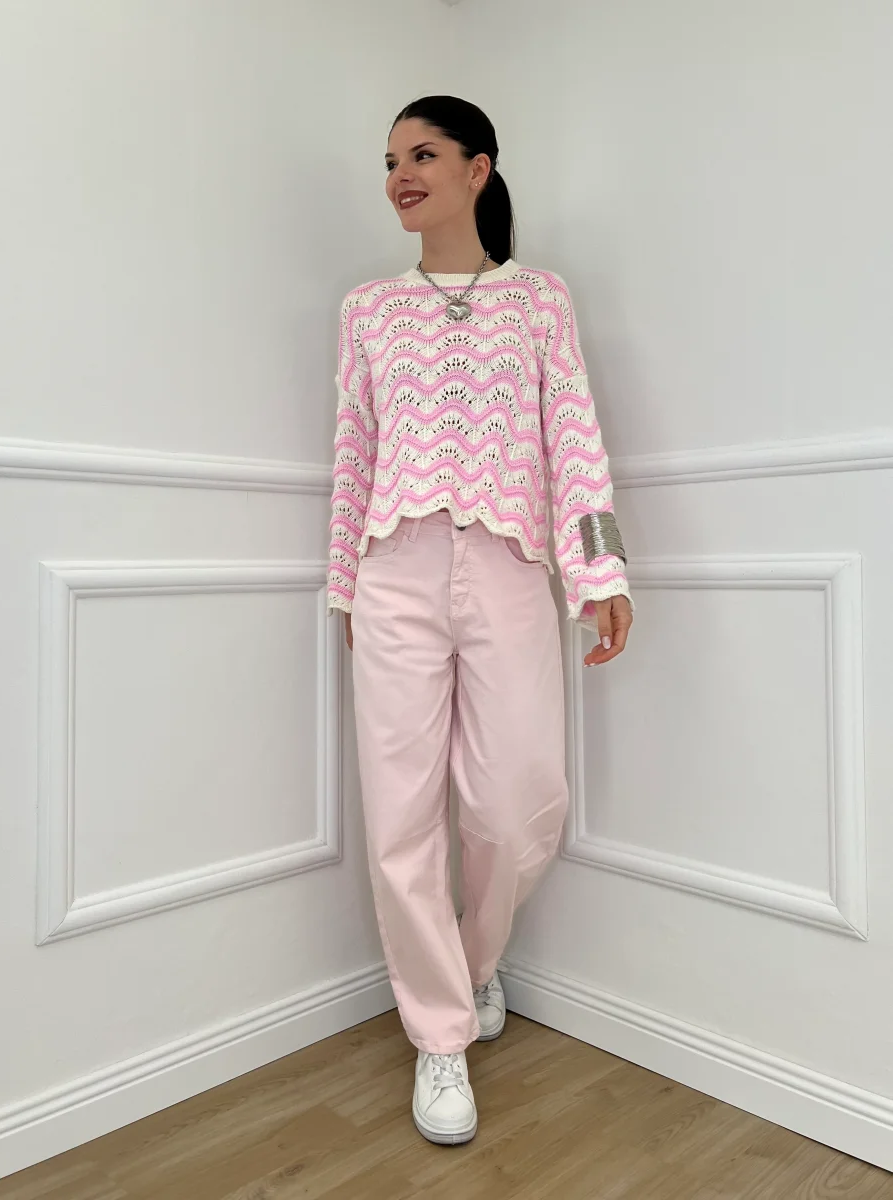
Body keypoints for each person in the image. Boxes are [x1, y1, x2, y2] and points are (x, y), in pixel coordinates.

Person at [327, 95, 633, 1145]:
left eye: (421, 154)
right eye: (388, 161)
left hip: (509, 569)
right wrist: (344, 586)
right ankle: (440, 1035)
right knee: (399, 817)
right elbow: (353, 454)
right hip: (393, 574)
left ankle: (471, 962)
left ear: (477, 168)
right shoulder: (367, 310)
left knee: (516, 803)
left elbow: (574, 438)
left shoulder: (538, 299)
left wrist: (599, 570)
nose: (399, 176)